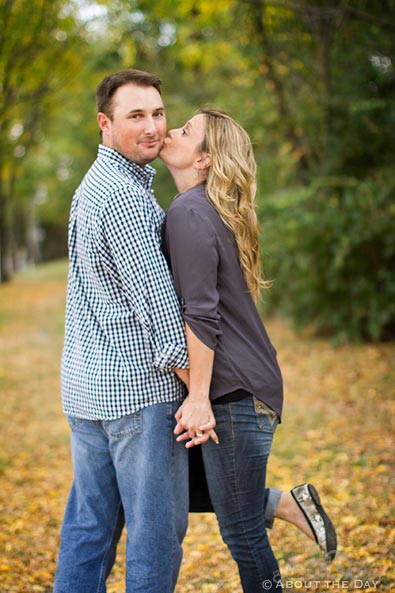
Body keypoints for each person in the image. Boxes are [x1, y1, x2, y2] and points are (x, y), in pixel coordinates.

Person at [160, 108, 337, 592]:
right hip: (246, 385)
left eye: (185, 130)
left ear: (204, 159)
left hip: (234, 392)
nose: (171, 130)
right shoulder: (201, 210)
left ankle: (278, 516)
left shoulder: (189, 212)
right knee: (182, 490)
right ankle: (283, 503)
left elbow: (201, 313)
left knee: (239, 531)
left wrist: (197, 397)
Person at [54, 68, 192, 593]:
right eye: (136, 116)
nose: (153, 127)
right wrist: (201, 392)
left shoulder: (95, 184)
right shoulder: (126, 199)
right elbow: (163, 318)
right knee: (155, 538)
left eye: (158, 113)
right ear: (104, 123)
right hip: (137, 397)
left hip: (88, 391)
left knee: (90, 530)